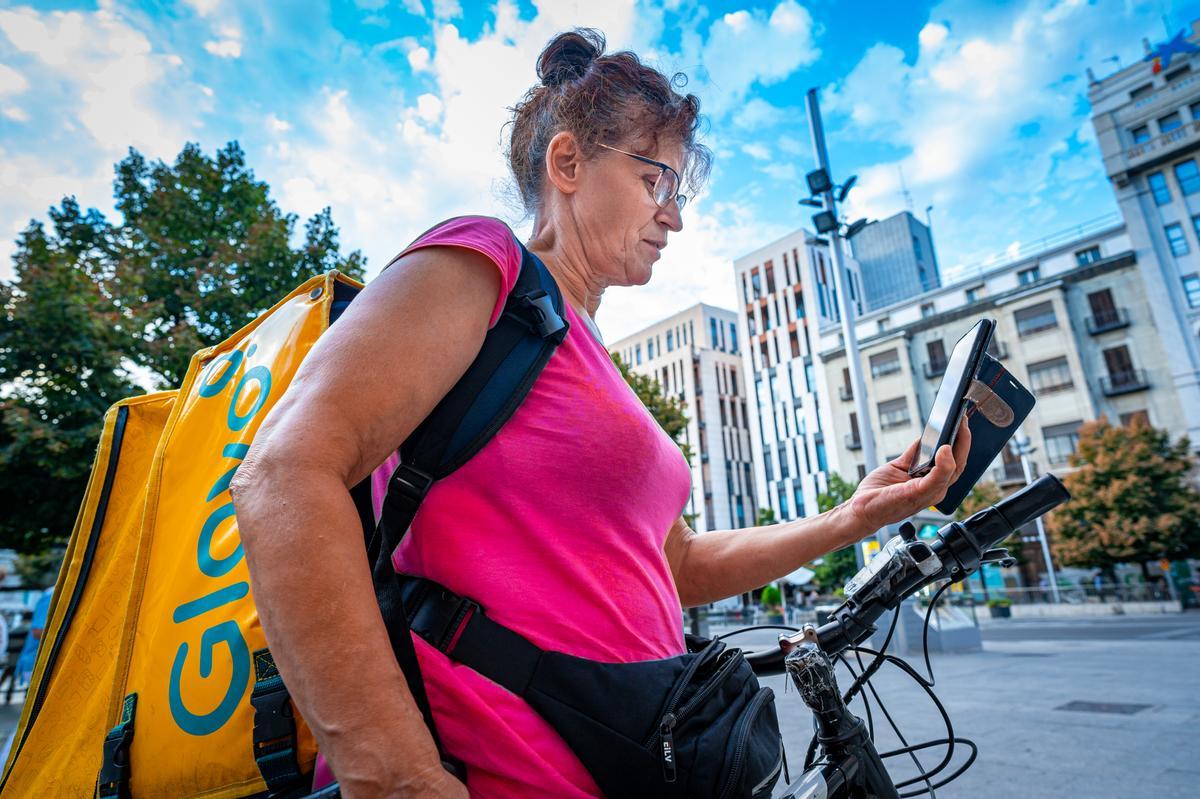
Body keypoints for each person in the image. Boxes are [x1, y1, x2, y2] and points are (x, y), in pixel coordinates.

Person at [231, 28, 971, 799]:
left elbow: (676, 566)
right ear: (569, 164)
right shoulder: (486, 266)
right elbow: (285, 472)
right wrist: (398, 777)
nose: (674, 217)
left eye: (678, 193)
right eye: (658, 181)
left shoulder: (594, 360)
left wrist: (852, 518)